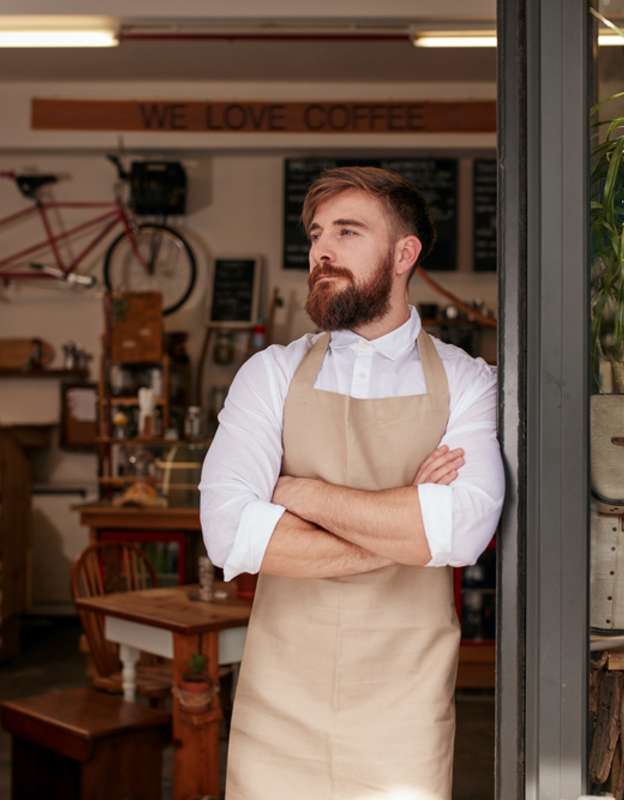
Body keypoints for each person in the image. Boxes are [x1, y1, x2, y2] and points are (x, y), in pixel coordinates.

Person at [199, 166, 505, 799]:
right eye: (316, 234)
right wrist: (406, 522)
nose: (321, 251)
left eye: (347, 231)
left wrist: (298, 495)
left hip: (406, 706)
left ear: (404, 254)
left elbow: (464, 532)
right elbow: (231, 535)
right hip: (277, 701)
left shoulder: (469, 381)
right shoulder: (270, 374)